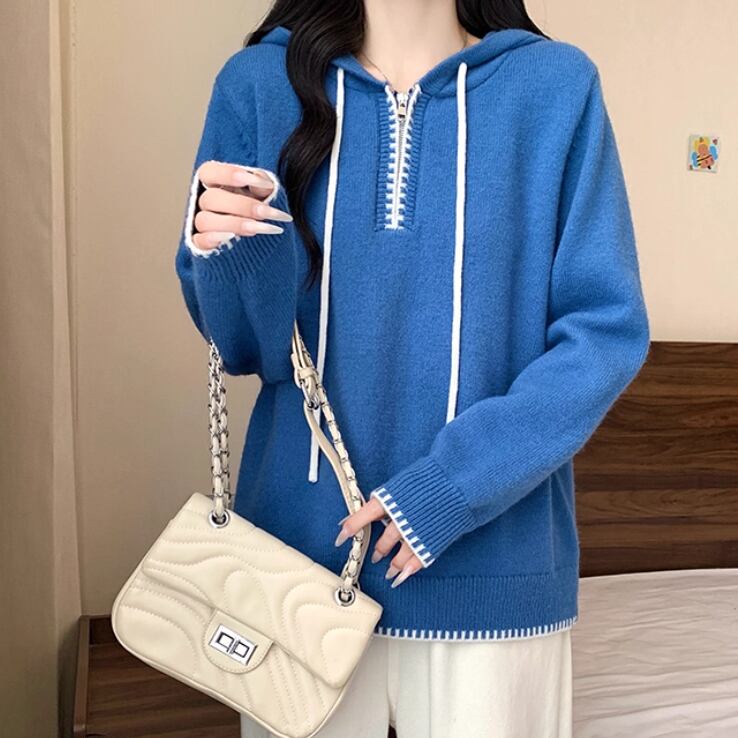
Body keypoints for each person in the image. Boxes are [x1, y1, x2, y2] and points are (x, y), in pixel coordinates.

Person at [174, 1, 650, 736]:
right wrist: (231, 252)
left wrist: (452, 487)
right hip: (294, 574)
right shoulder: (259, 84)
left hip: (495, 577)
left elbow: (605, 331)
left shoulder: (555, 89)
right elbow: (244, 351)